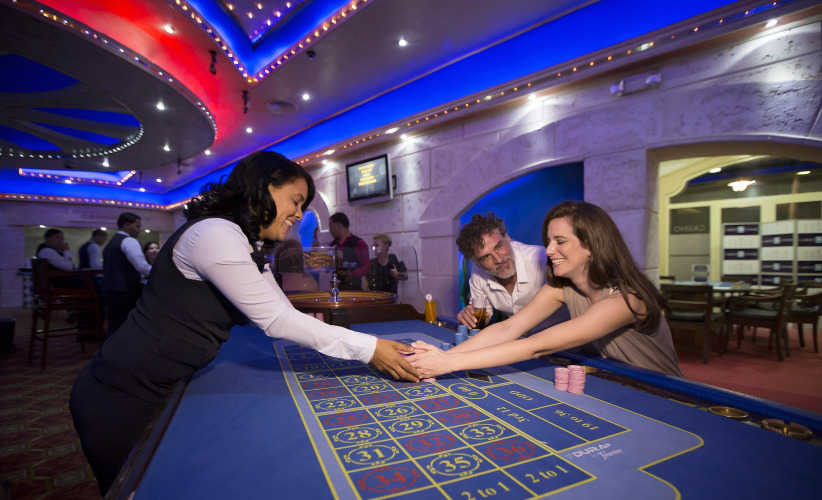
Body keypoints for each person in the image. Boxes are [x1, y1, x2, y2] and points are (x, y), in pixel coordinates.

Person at [70, 151, 420, 496]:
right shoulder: (214, 233)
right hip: (118, 395)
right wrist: (370, 348)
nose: (299, 214)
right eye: (296, 201)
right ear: (262, 187)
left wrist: (360, 342)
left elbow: (281, 309)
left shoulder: (244, 242)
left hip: (160, 387)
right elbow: (277, 320)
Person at [409, 201, 682, 378]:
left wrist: (450, 364)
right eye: (549, 241)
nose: (549, 250)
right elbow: (508, 328)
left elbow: (535, 346)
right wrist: (443, 356)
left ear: (592, 244)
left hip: (669, 395)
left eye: (560, 241)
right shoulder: (561, 288)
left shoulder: (627, 299)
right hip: (619, 379)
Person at [455, 213, 562, 329]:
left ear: (507, 238)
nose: (499, 259)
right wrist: (470, 318)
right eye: (485, 257)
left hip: (564, 337)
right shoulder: (478, 274)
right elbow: (483, 317)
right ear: (476, 263)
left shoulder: (543, 261)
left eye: (499, 246)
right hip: (518, 337)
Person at [100, 212, 152, 335]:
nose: (139, 230)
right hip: (124, 289)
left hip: (109, 288)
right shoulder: (129, 241)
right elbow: (142, 266)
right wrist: (160, 273)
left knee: (115, 325)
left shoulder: (111, 243)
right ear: (127, 225)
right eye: (137, 226)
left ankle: (111, 347)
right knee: (125, 326)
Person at [328, 212, 370, 290]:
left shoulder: (358, 243)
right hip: (336, 289)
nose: (330, 230)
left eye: (331, 226)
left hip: (354, 290)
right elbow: (327, 267)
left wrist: (350, 273)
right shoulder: (333, 245)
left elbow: (367, 267)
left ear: (339, 226)